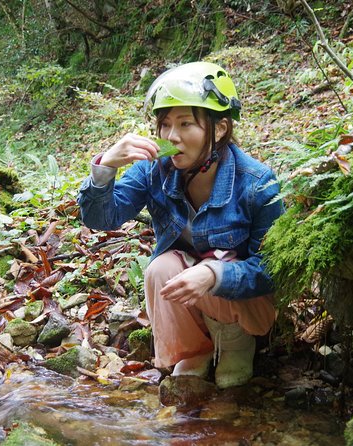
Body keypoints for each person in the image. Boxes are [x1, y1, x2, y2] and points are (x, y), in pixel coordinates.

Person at [77, 61, 284, 389]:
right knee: (160, 268)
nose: (171, 136)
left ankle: (234, 342)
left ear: (219, 129)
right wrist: (105, 166)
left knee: (218, 263)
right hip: (191, 290)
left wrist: (215, 274)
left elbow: (272, 270)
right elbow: (101, 219)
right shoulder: (153, 170)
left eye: (186, 123)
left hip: (246, 305)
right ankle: (194, 348)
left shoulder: (256, 183)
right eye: (165, 124)